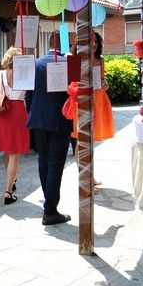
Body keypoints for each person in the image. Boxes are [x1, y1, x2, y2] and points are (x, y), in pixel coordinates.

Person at [27, 31, 73, 225]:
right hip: (60, 120)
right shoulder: (68, 64)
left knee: (43, 162)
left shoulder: (35, 63)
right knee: (55, 165)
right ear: (65, 43)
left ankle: (49, 204)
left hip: (38, 120)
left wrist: (33, 113)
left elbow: (29, 95)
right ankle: (50, 210)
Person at [68, 32, 114, 188]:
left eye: (95, 41)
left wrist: (105, 84)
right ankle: (85, 176)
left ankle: (89, 176)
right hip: (81, 103)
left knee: (90, 142)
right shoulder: (75, 60)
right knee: (81, 142)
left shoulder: (100, 61)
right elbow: (70, 85)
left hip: (99, 102)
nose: (93, 44)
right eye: (90, 41)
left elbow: (102, 81)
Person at [0, 47, 29, 205]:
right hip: (19, 111)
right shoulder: (24, 75)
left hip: (3, 113)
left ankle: (11, 181)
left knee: (7, 149)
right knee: (15, 154)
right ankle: (8, 191)